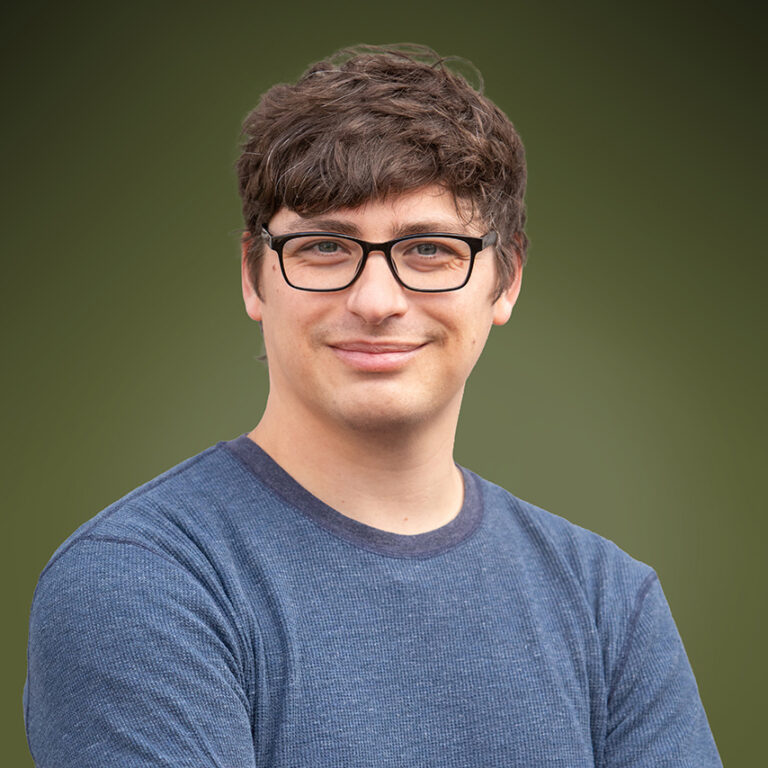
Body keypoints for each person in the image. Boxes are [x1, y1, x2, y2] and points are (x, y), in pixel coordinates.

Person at [24, 44, 721, 767]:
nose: (377, 301)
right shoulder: (142, 581)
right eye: (326, 246)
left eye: (429, 249)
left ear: (505, 279)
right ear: (255, 277)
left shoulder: (610, 604)